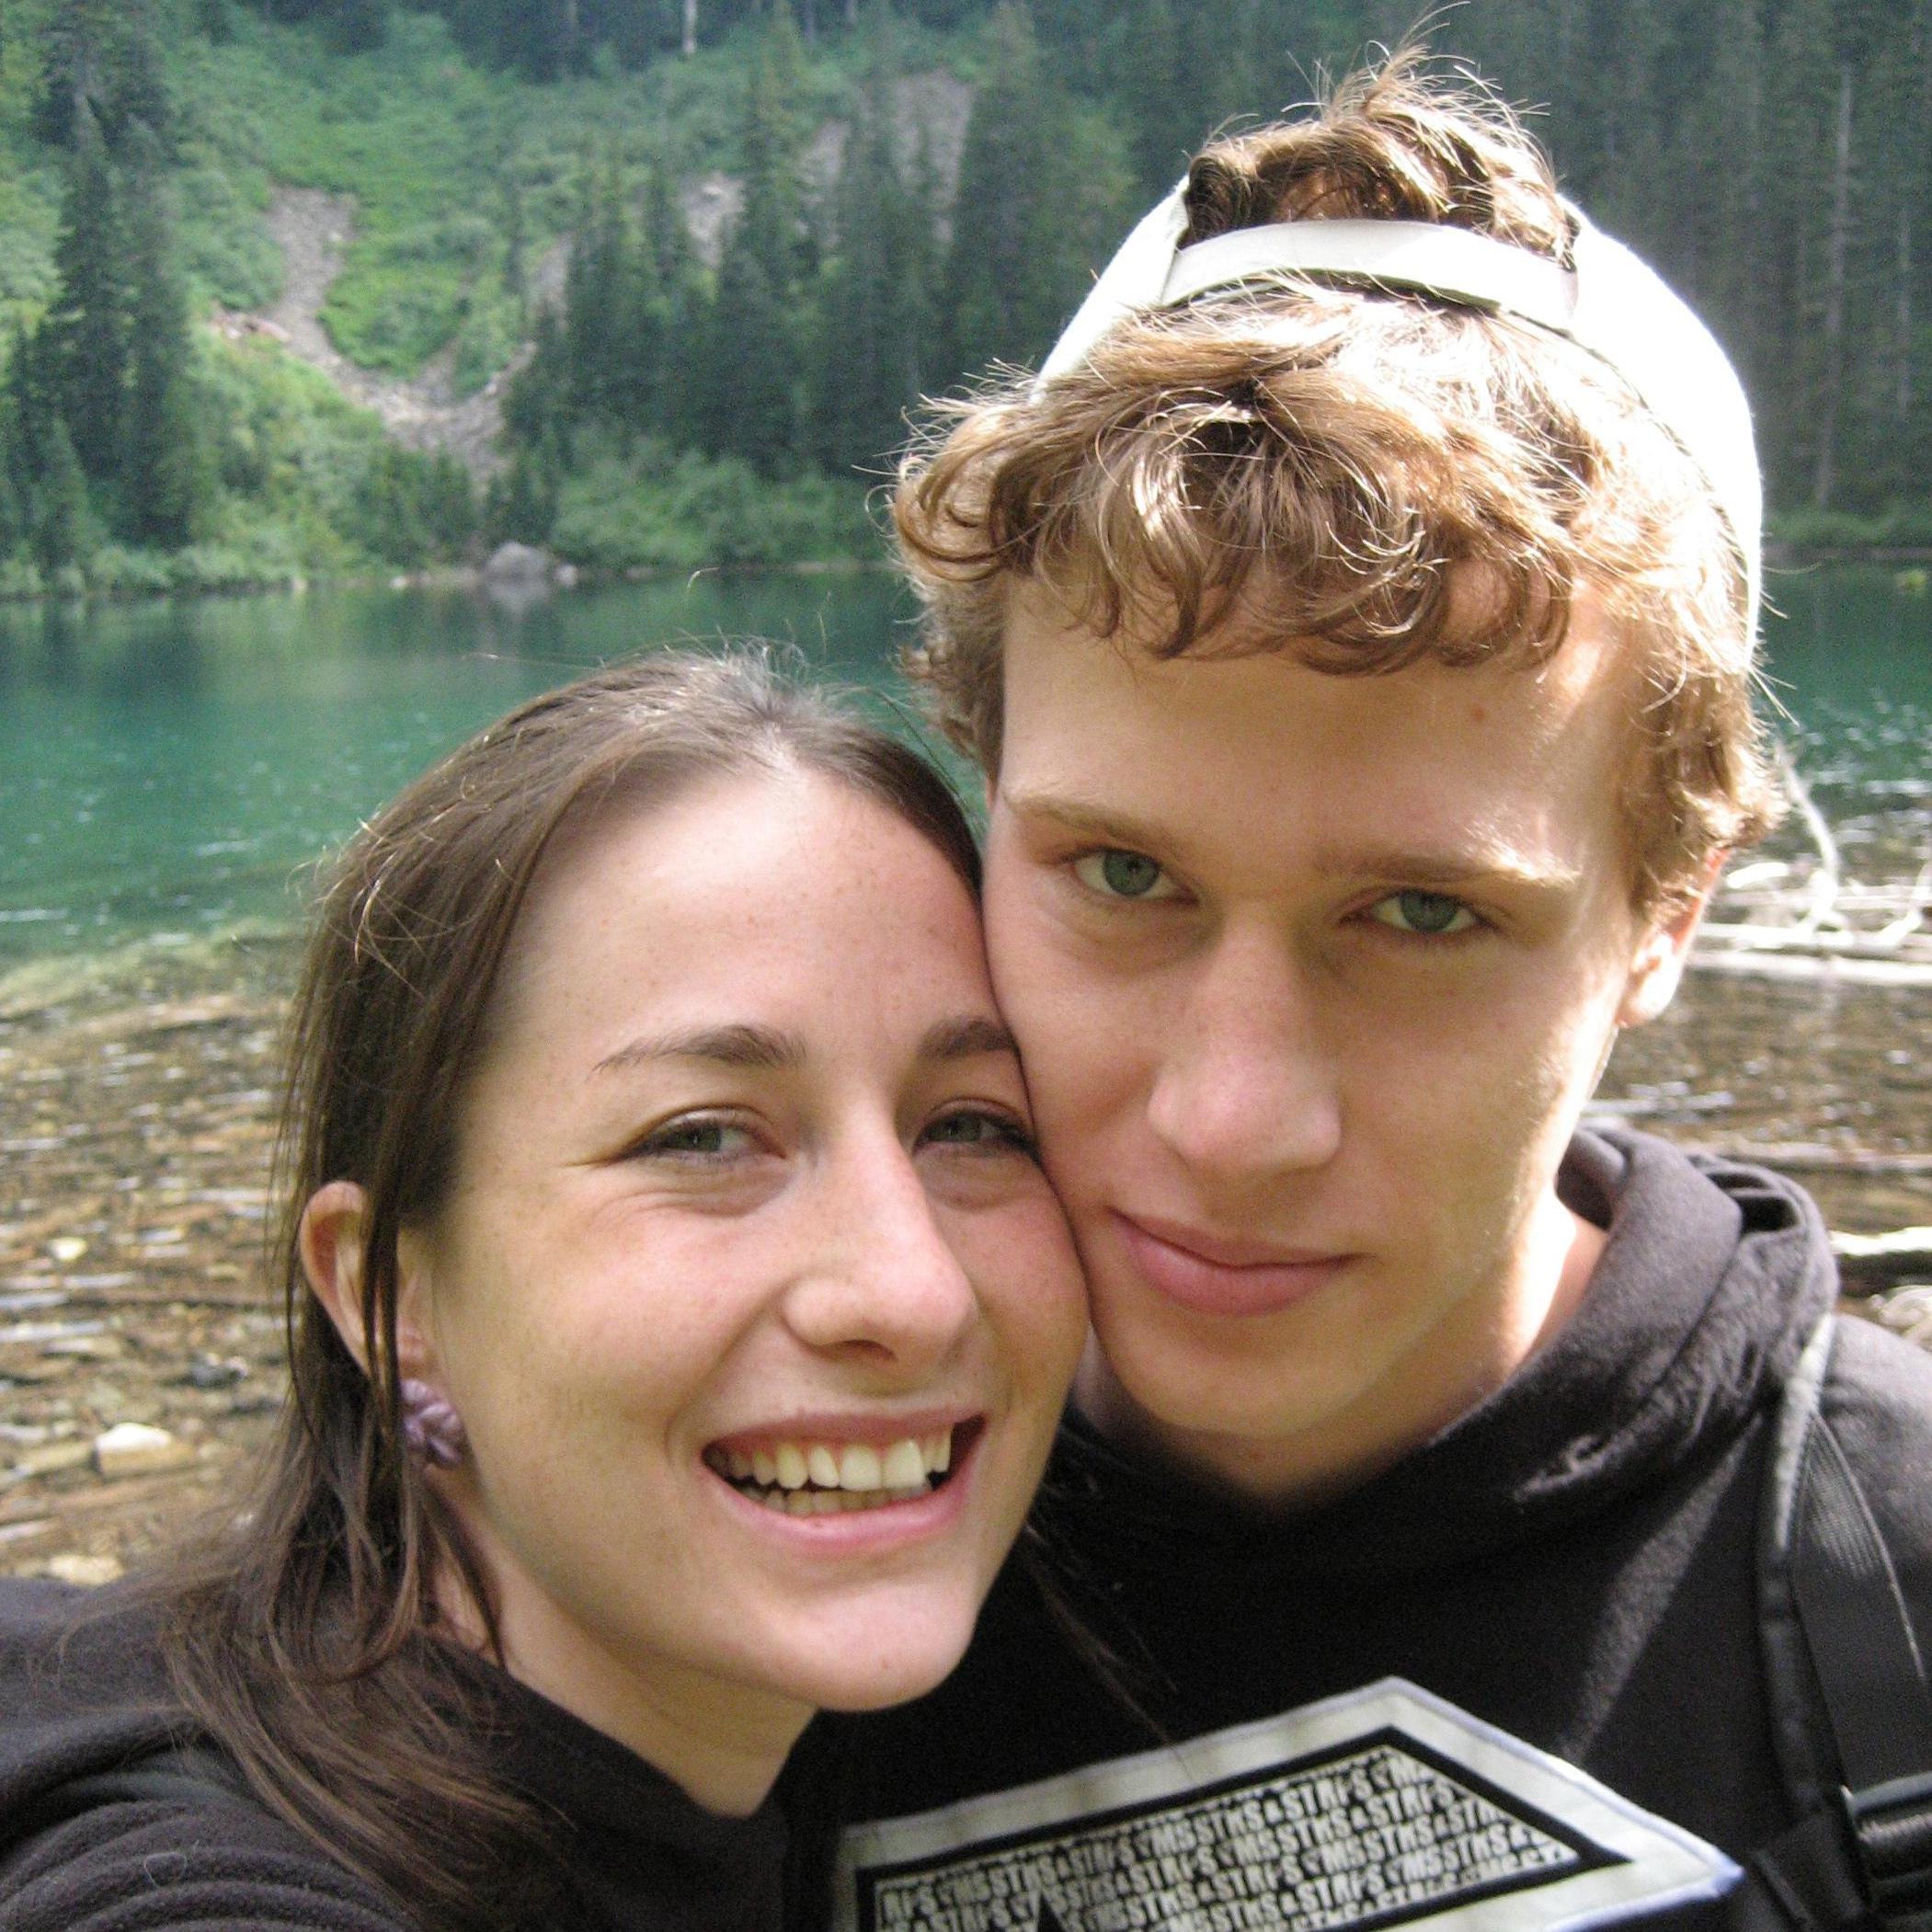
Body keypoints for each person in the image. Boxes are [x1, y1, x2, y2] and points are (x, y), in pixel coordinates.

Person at [815, 51, 1932, 1932]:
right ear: (980, 803)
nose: (1227, 1123)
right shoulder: (771, 1499)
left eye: (1419, 916)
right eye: (1120, 876)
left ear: (1664, 915)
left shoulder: (1883, 1595)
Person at [0, 651, 1088, 1932]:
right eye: (700, 1138)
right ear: (389, 1294)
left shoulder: (828, 1707)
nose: (915, 1291)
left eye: (970, 1124)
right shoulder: (194, 1855)